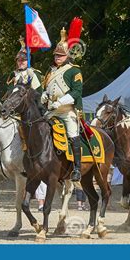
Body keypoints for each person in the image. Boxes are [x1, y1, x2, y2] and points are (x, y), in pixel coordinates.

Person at [41, 28, 83, 181]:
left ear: (67, 56)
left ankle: (77, 168)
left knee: (73, 134)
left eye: (61, 55)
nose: (58, 58)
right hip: (52, 110)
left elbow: (76, 92)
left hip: (67, 110)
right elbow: (45, 88)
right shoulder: (50, 71)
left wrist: (59, 102)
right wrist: (45, 96)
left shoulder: (74, 71)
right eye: (56, 55)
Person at [6, 40, 43, 152]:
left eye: (24, 60)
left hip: (29, 109)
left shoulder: (34, 73)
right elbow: (9, 93)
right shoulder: (13, 75)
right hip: (13, 108)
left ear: (29, 60)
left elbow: (38, 94)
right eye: (19, 60)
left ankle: (28, 147)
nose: (21, 62)